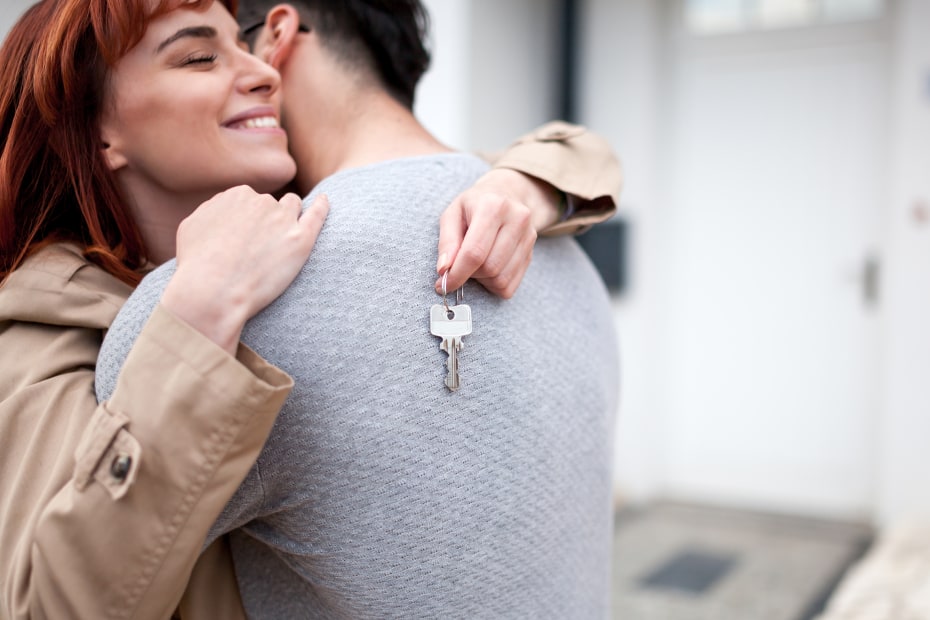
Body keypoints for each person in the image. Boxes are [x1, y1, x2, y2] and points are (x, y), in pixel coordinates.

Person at [0, 1, 619, 619]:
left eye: (246, 46)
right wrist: (195, 315)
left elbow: (556, 157)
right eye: (198, 56)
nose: (266, 71)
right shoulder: (51, 325)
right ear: (97, 129)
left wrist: (528, 182)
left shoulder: (468, 215)